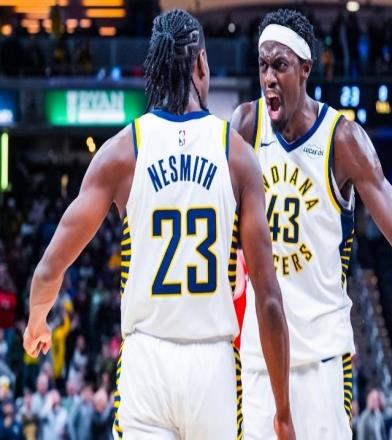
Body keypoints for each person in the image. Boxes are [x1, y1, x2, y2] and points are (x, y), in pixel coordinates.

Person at [23, 9, 294, 440]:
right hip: (213, 365)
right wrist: (282, 410)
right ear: (201, 64)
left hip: (146, 361)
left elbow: (49, 269)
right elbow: (269, 298)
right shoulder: (237, 155)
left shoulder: (122, 152)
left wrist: (37, 321)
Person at [231, 8, 392, 439]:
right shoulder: (245, 125)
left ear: (305, 68)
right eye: (263, 65)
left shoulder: (342, 139)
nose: (269, 78)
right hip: (259, 361)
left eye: (280, 65)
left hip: (323, 360)